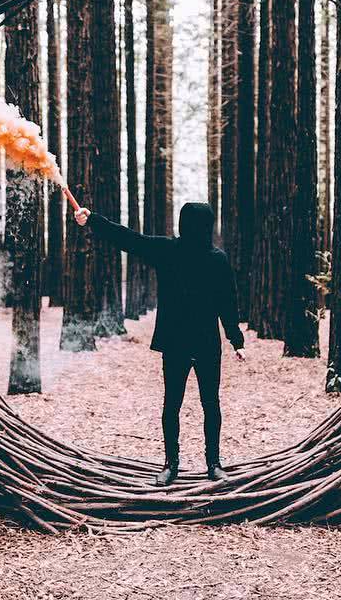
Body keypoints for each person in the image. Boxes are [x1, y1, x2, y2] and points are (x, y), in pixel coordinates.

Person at [74, 202, 245, 486]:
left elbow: (228, 301)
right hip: (176, 342)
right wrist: (93, 219)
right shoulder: (168, 251)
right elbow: (127, 238)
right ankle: (170, 465)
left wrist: (235, 339)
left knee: (210, 404)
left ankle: (214, 464)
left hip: (206, 344)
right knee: (172, 405)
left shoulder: (217, 260)